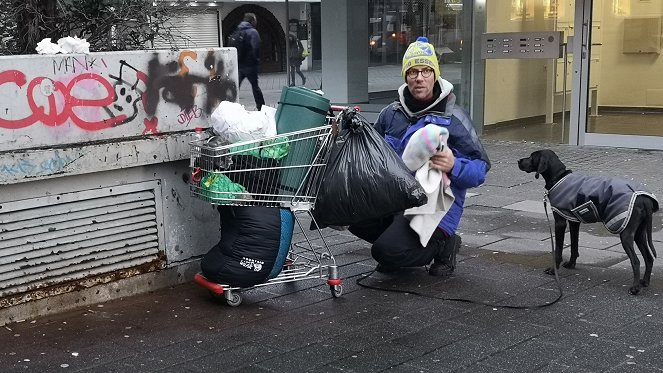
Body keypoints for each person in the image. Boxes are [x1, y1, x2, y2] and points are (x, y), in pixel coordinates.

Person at [349, 36, 491, 277]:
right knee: (350, 215)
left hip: (434, 208)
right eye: (413, 71)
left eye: (426, 70)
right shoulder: (391, 114)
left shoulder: (454, 118)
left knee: (386, 254)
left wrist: (454, 165)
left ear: (435, 74)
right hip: (396, 200)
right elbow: (370, 152)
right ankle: (400, 245)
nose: (419, 77)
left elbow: (481, 169)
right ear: (405, 76)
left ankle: (444, 245)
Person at [234, 13, 265, 110]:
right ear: (252, 21)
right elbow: (256, 47)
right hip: (250, 65)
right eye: (255, 20)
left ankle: (232, 107)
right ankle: (261, 107)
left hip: (239, 64)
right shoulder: (253, 32)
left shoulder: (237, 31)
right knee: (255, 87)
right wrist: (256, 60)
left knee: (235, 87)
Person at [287, 20, 306, 86]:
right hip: (292, 58)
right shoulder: (289, 43)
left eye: (290, 37)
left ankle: (303, 78)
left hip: (297, 58)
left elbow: (302, 48)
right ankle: (293, 82)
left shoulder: (297, 41)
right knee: (292, 71)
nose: (289, 38)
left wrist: (299, 54)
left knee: (297, 70)